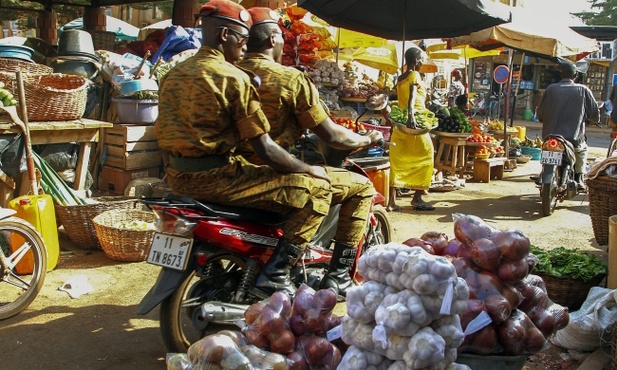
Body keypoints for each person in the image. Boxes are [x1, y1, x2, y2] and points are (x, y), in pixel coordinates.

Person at [156, 0, 334, 299]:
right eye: (241, 38)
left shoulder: (173, 75)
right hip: (219, 178)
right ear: (224, 35)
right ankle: (276, 275)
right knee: (317, 191)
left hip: (177, 178)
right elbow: (264, 147)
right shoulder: (233, 78)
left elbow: (163, 136)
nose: (244, 45)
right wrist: (308, 169)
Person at [236, 7, 383, 298]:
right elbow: (331, 135)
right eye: (280, 38)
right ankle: (337, 276)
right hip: (272, 174)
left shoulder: (229, 73)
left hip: (231, 173)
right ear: (273, 40)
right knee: (362, 187)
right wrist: (366, 139)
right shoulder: (290, 79)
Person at [386, 46, 435, 212]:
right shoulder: (414, 75)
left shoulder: (400, 77)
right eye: (421, 59)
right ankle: (417, 197)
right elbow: (412, 96)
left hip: (401, 126)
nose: (422, 62)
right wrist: (411, 115)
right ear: (415, 61)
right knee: (427, 155)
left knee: (398, 161)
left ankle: (391, 202)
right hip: (414, 125)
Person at [537, 62, 599, 191]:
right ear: (576, 75)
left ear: (561, 74)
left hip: (550, 137)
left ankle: (543, 173)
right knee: (582, 150)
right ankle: (579, 177)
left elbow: (540, 113)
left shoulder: (550, 89)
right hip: (573, 138)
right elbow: (594, 113)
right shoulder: (583, 89)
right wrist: (593, 120)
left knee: (548, 151)